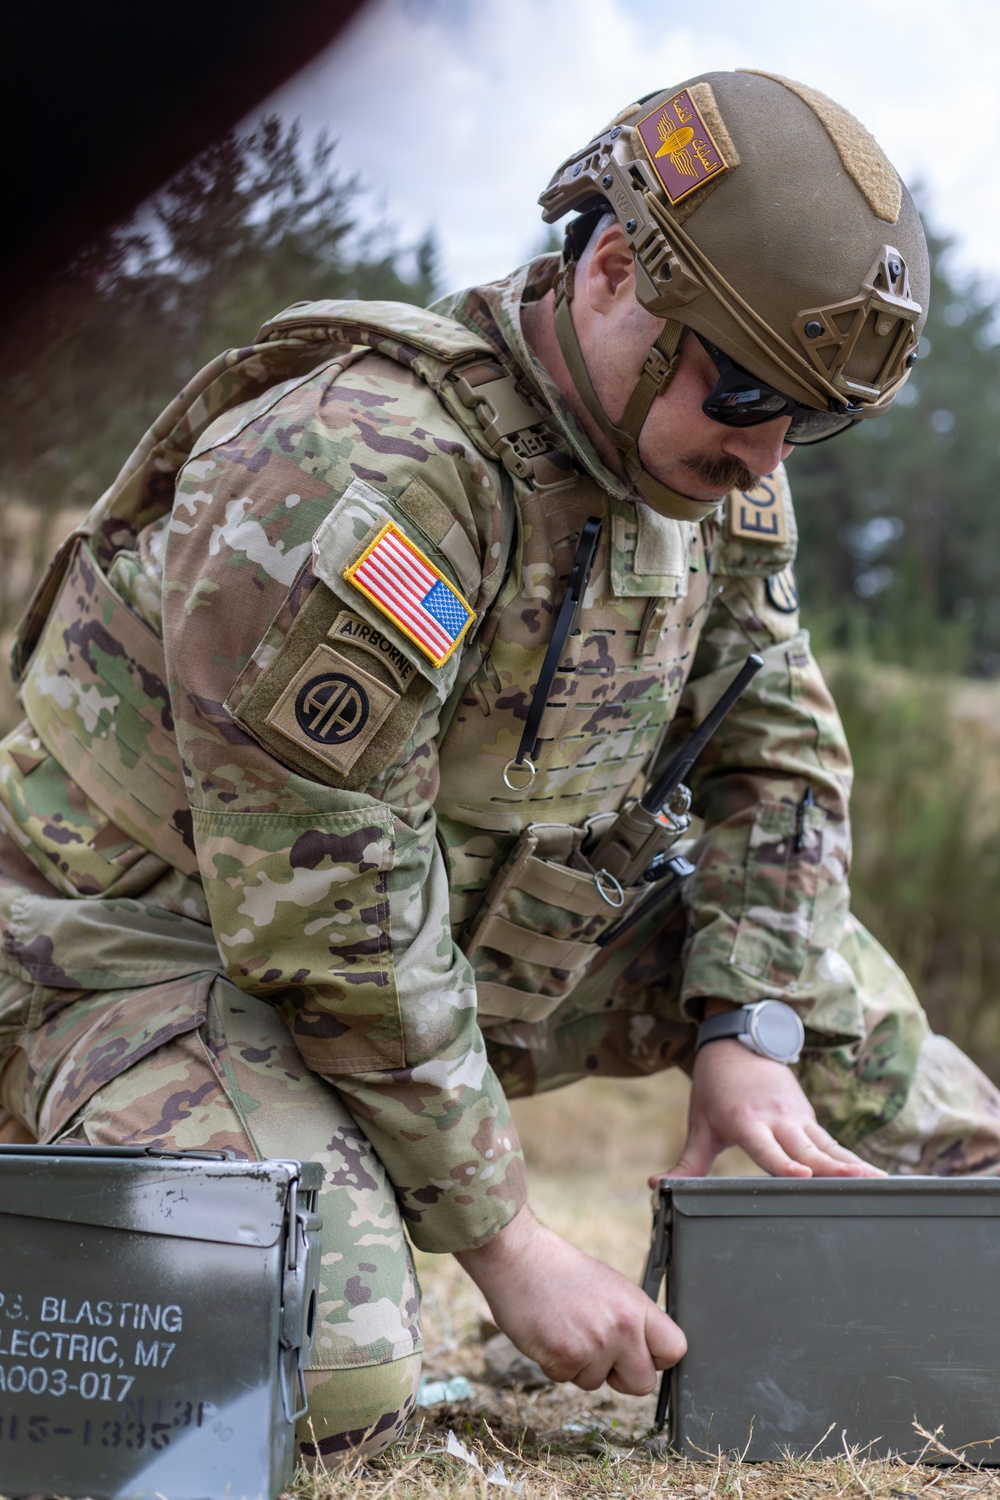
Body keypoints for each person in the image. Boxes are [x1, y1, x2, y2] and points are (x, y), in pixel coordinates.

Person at [1, 68, 999, 1463]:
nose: (767, 449)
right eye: (750, 389)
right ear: (609, 277)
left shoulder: (713, 480)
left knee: (935, 1132)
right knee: (320, 1366)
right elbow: (328, 904)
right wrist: (511, 1239)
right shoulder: (367, 470)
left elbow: (779, 758)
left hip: (469, 936)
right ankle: (88, 1154)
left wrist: (749, 1035)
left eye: (811, 416)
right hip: (158, 948)